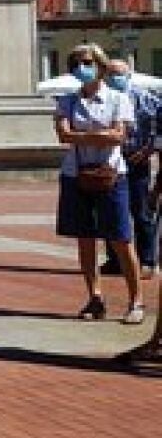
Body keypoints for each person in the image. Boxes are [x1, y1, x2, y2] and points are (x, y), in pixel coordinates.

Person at [52, 42, 144, 324]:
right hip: (75, 174)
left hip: (112, 174)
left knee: (120, 238)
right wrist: (99, 135)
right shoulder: (66, 100)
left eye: (89, 62)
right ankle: (95, 297)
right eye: (77, 63)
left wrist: (82, 135)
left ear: (102, 67)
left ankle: (136, 300)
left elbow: (119, 136)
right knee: (85, 238)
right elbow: (63, 136)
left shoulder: (118, 99)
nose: (83, 68)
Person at [102, 57, 159, 281]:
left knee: (141, 212)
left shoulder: (146, 99)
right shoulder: (104, 99)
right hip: (111, 161)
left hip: (136, 161)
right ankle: (115, 260)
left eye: (119, 73)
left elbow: (157, 130)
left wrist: (147, 151)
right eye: (111, 74)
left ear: (128, 75)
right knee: (112, 212)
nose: (115, 78)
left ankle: (147, 260)